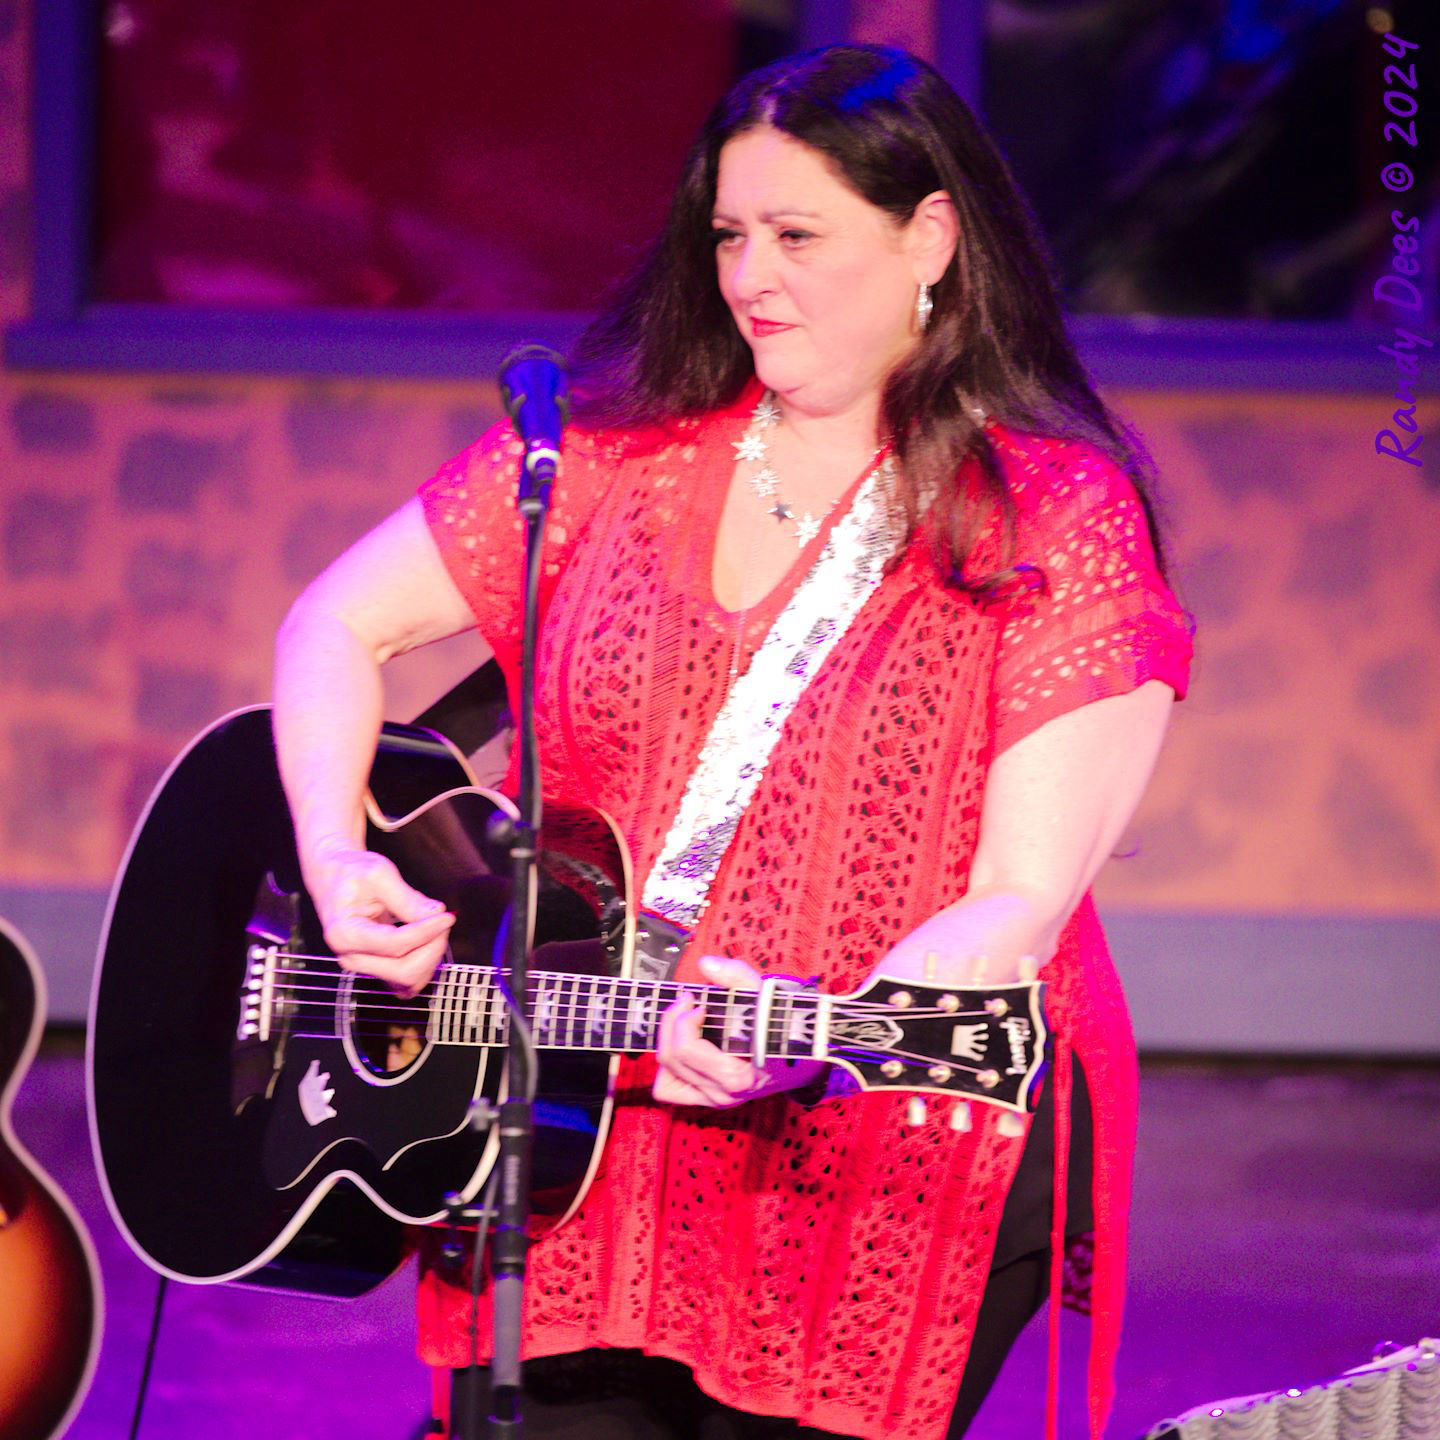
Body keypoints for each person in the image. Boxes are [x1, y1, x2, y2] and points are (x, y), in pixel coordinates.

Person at [272, 44, 1192, 1440]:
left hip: (892, 1124)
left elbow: (1020, 896)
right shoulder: (608, 460)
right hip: (583, 1119)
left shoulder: (1052, 508)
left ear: (931, 237)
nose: (751, 276)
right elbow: (335, 625)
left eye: (797, 236)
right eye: (729, 236)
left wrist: (816, 1039)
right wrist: (338, 860)